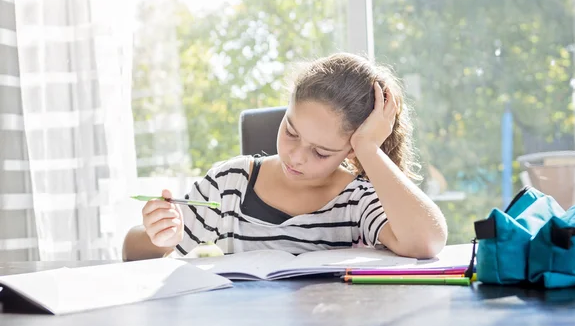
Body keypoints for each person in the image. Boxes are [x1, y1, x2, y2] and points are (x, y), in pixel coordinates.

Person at [122, 53, 448, 261]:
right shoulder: (230, 184)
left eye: (321, 152)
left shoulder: (358, 199)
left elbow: (427, 243)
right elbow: (131, 250)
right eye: (291, 131)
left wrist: (369, 150)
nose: (296, 155)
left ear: (350, 149)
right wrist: (161, 237)